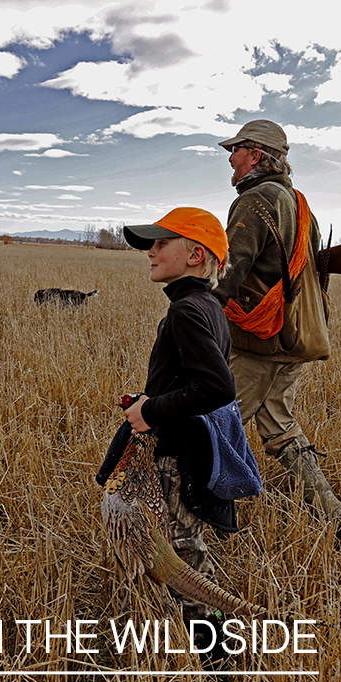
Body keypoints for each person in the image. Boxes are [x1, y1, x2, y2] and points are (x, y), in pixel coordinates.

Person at [214, 119, 341, 530]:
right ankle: (336, 515)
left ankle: (192, 519)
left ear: (256, 154)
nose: (230, 157)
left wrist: (201, 314)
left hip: (259, 341)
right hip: (295, 336)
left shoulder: (255, 199)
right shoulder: (299, 204)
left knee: (210, 422)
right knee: (279, 426)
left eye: (236, 150)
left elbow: (232, 268)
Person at [119, 207, 241, 650]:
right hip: (189, 447)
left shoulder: (186, 312)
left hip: (180, 454)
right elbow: (196, 382)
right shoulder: (205, 305)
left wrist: (151, 413)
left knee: (182, 555)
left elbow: (216, 386)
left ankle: (217, 663)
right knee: (181, 548)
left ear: (194, 255)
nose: (150, 252)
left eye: (160, 243)